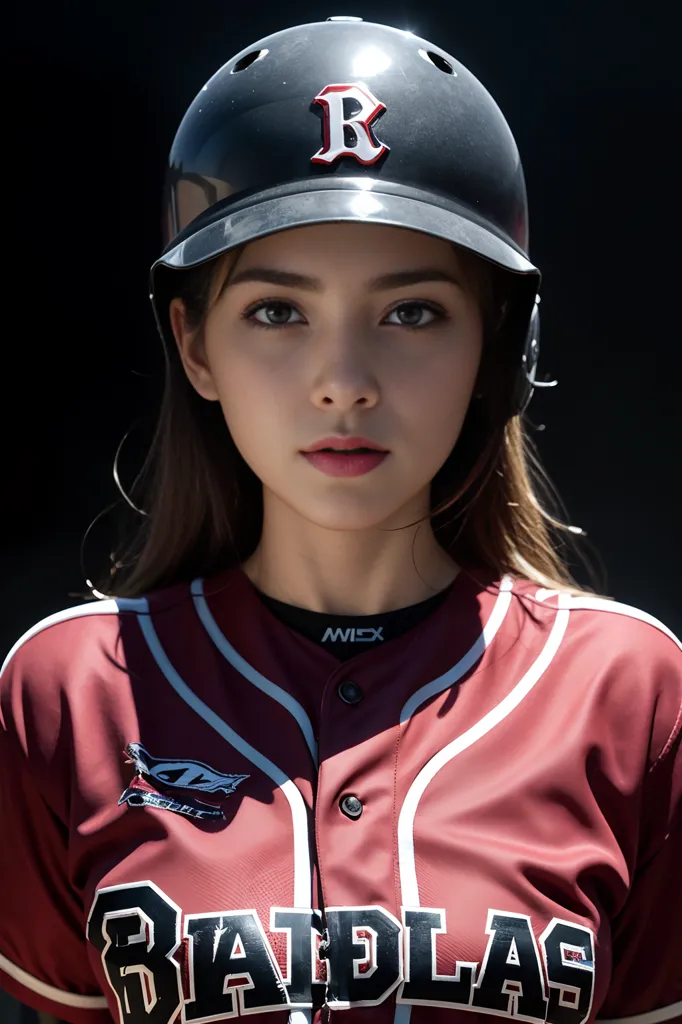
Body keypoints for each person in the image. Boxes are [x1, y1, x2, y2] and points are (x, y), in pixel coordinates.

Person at [0, 15, 680, 1024]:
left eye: (411, 311)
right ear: (193, 346)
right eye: (277, 310)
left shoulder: (636, 695)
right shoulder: (63, 696)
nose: (343, 384)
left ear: (496, 346)